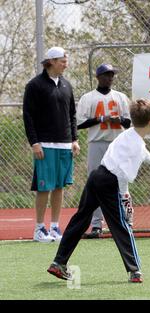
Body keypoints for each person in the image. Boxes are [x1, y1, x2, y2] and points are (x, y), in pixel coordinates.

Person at [47, 98, 150, 283]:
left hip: (96, 177)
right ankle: (135, 271)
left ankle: (58, 263)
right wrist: (126, 199)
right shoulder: (137, 146)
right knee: (122, 225)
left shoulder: (129, 133)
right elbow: (123, 176)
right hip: (110, 182)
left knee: (80, 220)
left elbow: (144, 154)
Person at [23, 47, 80, 243]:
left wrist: (74, 139)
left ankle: (54, 227)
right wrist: (34, 142)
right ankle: (39, 229)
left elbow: (72, 114)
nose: (66, 64)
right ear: (52, 61)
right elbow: (28, 116)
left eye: (66, 60)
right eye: (63, 61)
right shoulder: (35, 85)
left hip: (65, 145)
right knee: (44, 188)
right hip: (44, 145)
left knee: (59, 187)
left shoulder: (67, 85)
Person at [76, 63, 131, 239]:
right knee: (96, 184)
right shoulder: (88, 98)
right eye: (106, 75)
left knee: (121, 181)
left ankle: (125, 222)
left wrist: (119, 119)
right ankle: (96, 225)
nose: (110, 78)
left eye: (111, 75)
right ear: (98, 77)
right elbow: (79, 123)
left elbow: (129, 122)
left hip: (117, 143)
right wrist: (101, 119)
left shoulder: (121, 97)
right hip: (97, 143)